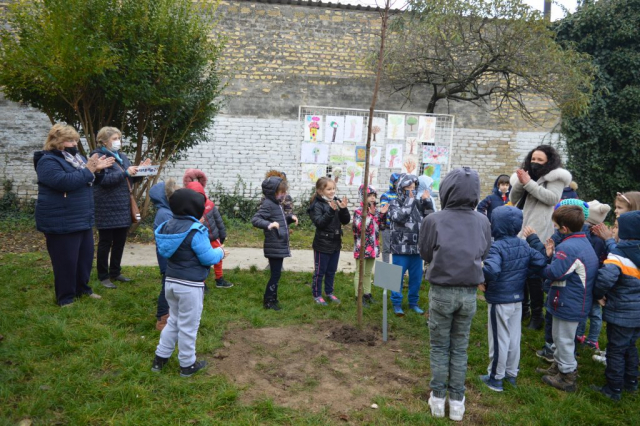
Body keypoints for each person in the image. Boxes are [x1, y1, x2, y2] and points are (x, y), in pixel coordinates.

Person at [419, 167, 491, 421]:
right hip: (469, 293)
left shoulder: (434, 220)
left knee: (440, 346)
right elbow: (484, 251)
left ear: (446, 190)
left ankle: (438, 399)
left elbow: (425, 252)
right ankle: (457, 402)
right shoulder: (482, 220)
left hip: (441, 291)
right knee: (460, 348)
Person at [34, 124, 114, 306]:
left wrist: (97, 170)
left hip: (81, 217)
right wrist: (89, 170)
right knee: (65, 262)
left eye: (76, 140)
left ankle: (82, 289)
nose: (74, 143)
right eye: (70, 140)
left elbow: (88, 181)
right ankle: (66, 297)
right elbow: (64, 182)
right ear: (56, 142)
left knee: (83, 259)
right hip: (60, 220)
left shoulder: (76, 157)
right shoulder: (47, 161)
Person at [151, 188, 227, 377]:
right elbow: (208, 257)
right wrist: (221, 252)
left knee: (174, 321)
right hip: (190, 285)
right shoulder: (197, 231)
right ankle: (187, 364)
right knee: (189, 326)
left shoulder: (167, 226)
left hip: (171, 282)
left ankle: (160, 359)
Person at [525, 205, 598, 393]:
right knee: (559, 337)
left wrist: (542, 261)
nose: (556, 230)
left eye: (557, 227)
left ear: (564, 229)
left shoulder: (568, 247)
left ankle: (567, 377)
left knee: (564, 340)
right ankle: (558, 367)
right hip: (570, 300)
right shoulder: (582, 241)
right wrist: (552, 257)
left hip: (569, 302)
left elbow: (555, 272)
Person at [478, 206, 547, 392]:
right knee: (514, 338)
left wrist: (480, 279)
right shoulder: (524, 244)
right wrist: (524, 273)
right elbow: (540, 261)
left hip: (500, 300)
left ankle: (495, 378)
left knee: (499, 339)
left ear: (497, 225)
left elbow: (491, 270)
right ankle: (511, 374)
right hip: (518, 299)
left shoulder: (496, 247)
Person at [509, 145, 572, 329]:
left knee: (534, 274)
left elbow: (552, 198)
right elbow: (514, 197)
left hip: (539, 229)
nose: (535, 163)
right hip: (521, 226)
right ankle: (524, 309)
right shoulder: (528, 174)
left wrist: (529, 182)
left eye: (540, 160)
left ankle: (538, 316)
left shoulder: (556, 177)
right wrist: (521, 181)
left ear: (548, 161)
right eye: (533, 159)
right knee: (520, 271)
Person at [92, 127, 151, 289]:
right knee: (106, 241)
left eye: (119, 138)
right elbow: (103, 181)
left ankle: (115, 272)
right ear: (104, 141)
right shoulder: (97, 157)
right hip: (107, 205)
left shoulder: (122, 157)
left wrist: (141, 170)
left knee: (120, 241)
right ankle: (103, 276)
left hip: (123, 205)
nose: (118, 141)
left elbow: (129, 180)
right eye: (115, 138)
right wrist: (126, 172)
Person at [591, 211, 640, 401]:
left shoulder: (618, 257)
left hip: (621, 314)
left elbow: (605, 278)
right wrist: (609, 240)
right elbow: (620, 248)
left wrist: (598, 294)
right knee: (630, 346)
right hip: (637, 314)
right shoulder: (631, 251)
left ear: (626, 232)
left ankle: (613, 389)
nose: (613, 230)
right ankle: (631, 382)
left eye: (617, 227)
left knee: (616, 350)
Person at [388, 174, 434, 316]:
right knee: (396, 278)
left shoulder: (418, 202)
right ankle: (396, 303)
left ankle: (413, 302)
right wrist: (410, 199)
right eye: (408, 187)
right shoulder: (394, 203)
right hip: (400, 248)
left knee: (416, 278)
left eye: (414, 187)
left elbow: (430, 217)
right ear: (401, 188)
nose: (411, 190)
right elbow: (399, 217)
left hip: (416, 248)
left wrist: (427, 203)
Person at [251, 176, 298, 310]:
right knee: (275, 274)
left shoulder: (276, 204)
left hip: (279, 245)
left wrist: (289, 218)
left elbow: (280, 222)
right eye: (281, 192)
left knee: (276, 274)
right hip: (274, 245)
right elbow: (255, 219)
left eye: (284, 192)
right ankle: (268, 301)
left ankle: (273, 298)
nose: (283, 195)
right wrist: (269, 224)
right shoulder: (268, 204)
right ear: (272, 192)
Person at [308, 177, 350, 306]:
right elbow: (320, 223)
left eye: (333, 189)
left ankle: (329, 292)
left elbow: (345, 221)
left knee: (331, 271)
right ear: (321, 191)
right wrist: (331, 211)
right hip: (322, 243)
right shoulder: (316, 205)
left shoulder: (335, 201)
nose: (332, 192)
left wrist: (343, 209)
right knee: (320, 272)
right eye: (329, 189)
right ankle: (317, 294)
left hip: (335, 242)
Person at [185, 181, 233, 289]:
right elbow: (188, 226)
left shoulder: (210, 205)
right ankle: (202, 282)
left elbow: (218, 220)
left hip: (214, 238)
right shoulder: (190, 210)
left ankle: (219, 279)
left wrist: (222, 234)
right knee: (202, 261)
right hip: (202, 240)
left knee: (219, 257)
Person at [352, 185, 388, 307]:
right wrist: (370, 215)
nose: (372, 198)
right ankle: (358, 296)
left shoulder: (376, 211)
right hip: (362, 247)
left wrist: (382, 215)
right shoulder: (358, 211)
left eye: (374, 196)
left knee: (368, 272)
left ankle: (367, 293)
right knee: (360, 272)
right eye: (369, 196)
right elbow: (361, 227)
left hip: (373, 246)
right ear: (362, 197)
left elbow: (381, 227)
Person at [149, 179, 177, 331]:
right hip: (167, 258)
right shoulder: (164, 214)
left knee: (169, 286)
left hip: (168, 256)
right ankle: (162, 318)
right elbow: (171, 233)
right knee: (166, 288)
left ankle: (169, 315)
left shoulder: (167, 211)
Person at [379, 173, 401, 263]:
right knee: (386, 249)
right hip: (387, 227)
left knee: (398, 249)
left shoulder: (401, 196)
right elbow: (384, 210)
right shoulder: (385, 196)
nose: (399, 184)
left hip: (399, 228)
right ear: (393, 183)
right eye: (397, 182)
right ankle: (386, 268)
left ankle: (398, 269)